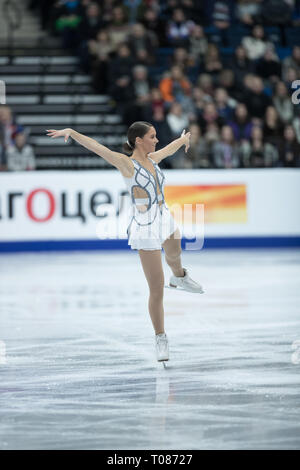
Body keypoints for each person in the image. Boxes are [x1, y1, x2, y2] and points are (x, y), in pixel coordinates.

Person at [46, 122, 204, 362]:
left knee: (175, 254)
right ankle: (161, 337)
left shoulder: (153, 158)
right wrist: (72, 132)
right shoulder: (126, 164)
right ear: (138, 140)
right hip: (145, 226)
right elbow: (97, 147)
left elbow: (169, 149)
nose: (156, 140)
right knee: (156, 288)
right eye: (152, 137)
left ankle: (179, 277)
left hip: (164, 216)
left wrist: (182, 140)